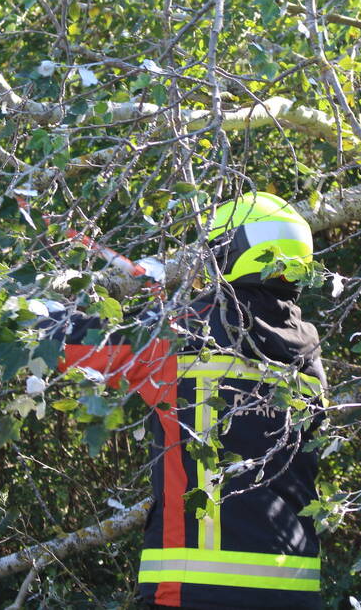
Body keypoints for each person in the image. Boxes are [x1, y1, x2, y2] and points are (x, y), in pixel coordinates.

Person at [41, 192, 326, 609]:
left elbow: (86, 347)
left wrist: (40, 315)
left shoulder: (188, 332)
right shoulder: (310, 357)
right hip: (294, 590)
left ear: (230, 252)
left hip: (196, 588)